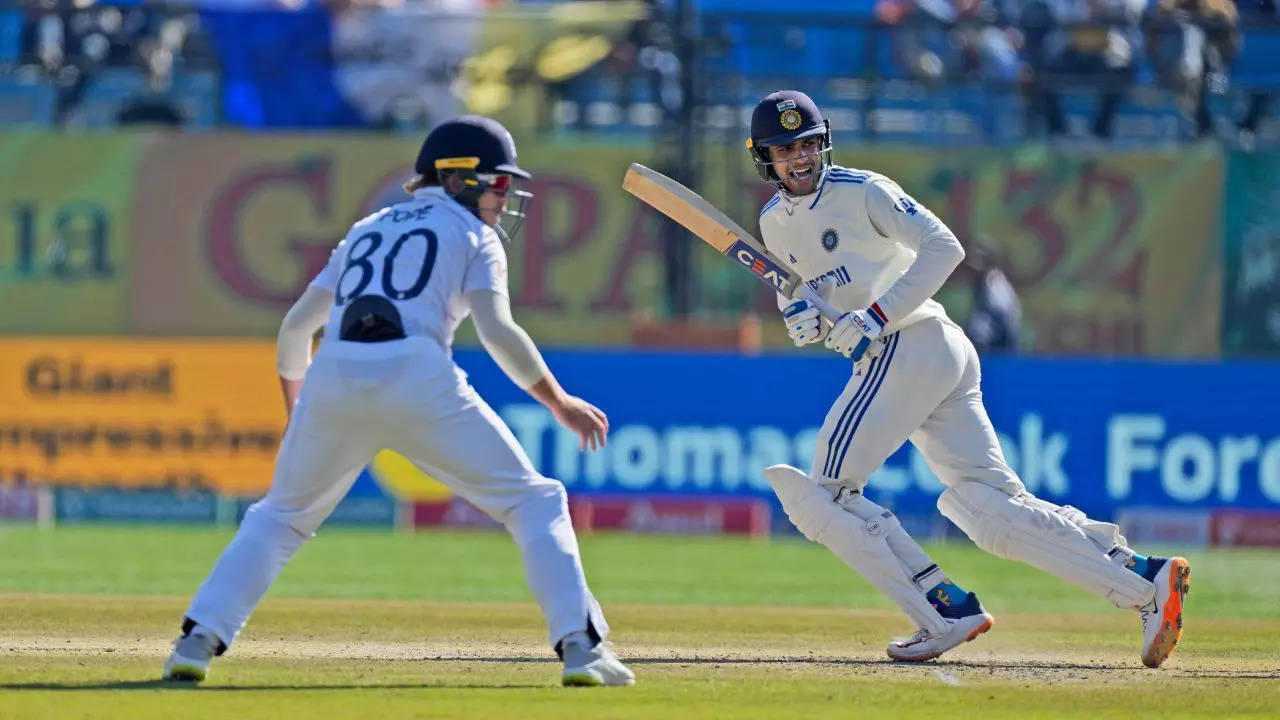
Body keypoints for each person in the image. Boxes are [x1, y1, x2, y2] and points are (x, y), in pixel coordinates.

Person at [162, 115, 635, 688]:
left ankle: (195, 641)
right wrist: (557, 401)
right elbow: (497, 331)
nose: (503, 197)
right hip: (416, 371)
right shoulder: (473, 236)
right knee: (535, 503)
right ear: (459, 178)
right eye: (498, 183)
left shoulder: (367, 228)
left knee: (280, 518)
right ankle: (582, 650)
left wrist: (300, 412)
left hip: (334, 372)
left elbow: (293, 331)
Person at [746, 90, 1190, 667]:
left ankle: (941, 610)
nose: (800, 158)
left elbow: (943, 246)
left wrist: (874, 317)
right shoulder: (772, 225)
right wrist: (802, 320)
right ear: (765, 159)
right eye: (786, 150)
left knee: (823, 494)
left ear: (824, 142)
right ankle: (1144, 579)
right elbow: (804, 299)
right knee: (991, 510)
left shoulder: (864, 191)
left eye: (807, 144)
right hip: (917, 357)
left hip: (912, 344)